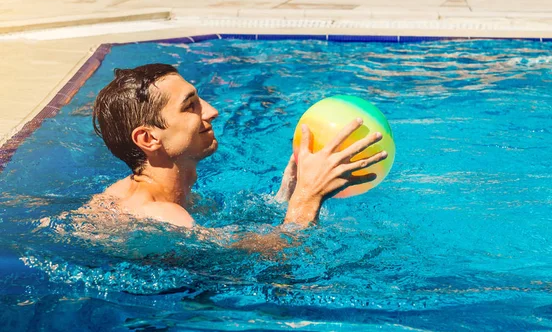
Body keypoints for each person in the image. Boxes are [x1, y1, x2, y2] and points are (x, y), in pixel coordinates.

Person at [90, 64, 388, 229]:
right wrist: (309, 198)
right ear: (149, 139)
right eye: (190, 106)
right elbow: (276, 268)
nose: (211, 110)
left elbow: (243, 247)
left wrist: (290, 193)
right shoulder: (161, 215)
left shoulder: (156, 195)